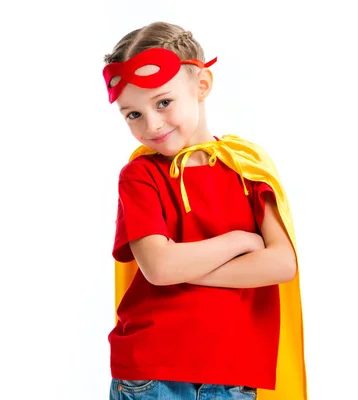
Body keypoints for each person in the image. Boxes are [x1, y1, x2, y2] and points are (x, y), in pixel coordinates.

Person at [102, 21, 307, 400]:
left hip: (232, 376)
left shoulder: (247, 167)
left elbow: (281, 265)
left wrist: (185, 267)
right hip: (151, 373)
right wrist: (237, 241)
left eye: (163, 102)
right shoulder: (139, 175)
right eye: (133, 114)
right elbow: (159, 268)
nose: (152, 124)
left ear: (201, 86)